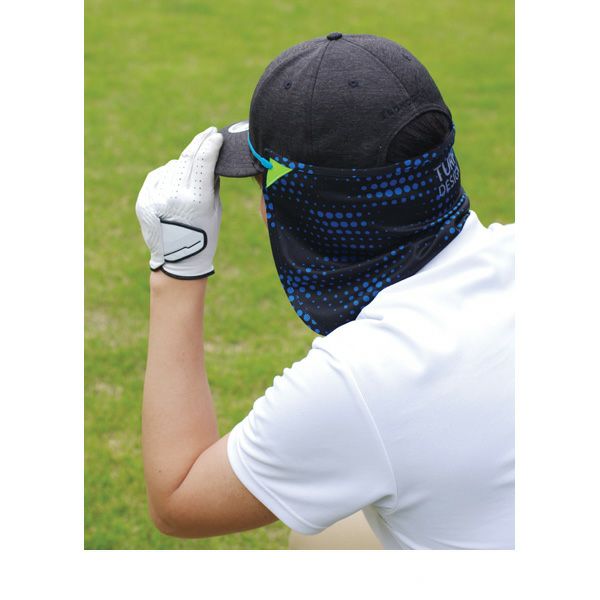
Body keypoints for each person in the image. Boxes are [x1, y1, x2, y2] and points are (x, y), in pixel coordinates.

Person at [135, 33, 514, 550]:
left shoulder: (360, 379)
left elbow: (178, 498)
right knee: (331, 536)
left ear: (307, 209)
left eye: (266, 183)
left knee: (322, 540)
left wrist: (178, 268)